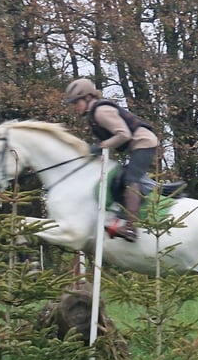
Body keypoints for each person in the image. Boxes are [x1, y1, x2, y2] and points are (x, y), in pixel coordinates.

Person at [63, 78, 158, 242]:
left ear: (87, 97)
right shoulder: (94, 114)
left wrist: (100, 146)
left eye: (76, 102)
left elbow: (123, 134)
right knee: (120, 178)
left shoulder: (101, 111)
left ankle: (130, 227)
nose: (75, 107)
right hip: (137, 144)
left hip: (144, 142)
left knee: (131, 179)